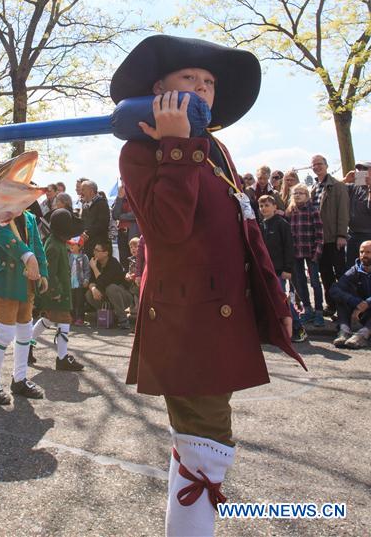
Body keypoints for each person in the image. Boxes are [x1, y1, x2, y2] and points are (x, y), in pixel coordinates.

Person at [112, 34, 303, 536]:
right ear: (160, 88)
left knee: (200, 445)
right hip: (186, 320)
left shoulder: (214, 147)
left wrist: (275, 298)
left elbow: (246, 228)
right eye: (189, 79)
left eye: (209, 83)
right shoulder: (139, 151)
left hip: (224, 312)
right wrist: (175, 145)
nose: (202, 88)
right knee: (207, 448)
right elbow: (168, 230)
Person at [0, 210, 48, 405]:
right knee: (5, 333)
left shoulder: (29, 217)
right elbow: (1, 235)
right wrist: (27, 256)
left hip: (26, 281)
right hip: (6, 281)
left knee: (25, 332)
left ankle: (19, 379)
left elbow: (37, 245)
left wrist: (42, 271)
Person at [30, 209, 85, 371]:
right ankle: (62, 357)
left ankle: (26, 346)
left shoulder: (57, 242)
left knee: (47, 320)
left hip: (59, 293)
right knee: (64, 321)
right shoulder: (53, 246)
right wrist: (55, 292)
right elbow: (49, 273)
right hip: (56, 294)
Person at [257, 195, 303, 342]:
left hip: (279, 270)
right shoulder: (261, 225)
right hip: (265, 269)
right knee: (271, 300)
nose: (264, 208)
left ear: (275, 206)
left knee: (282, 300)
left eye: (267, 205)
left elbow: (289, 247)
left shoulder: (282, 224)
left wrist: (287, 269)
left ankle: (298, 327)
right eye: (261, 206)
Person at [309, 154, 350, 317]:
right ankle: (331, 304)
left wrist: (341, 234)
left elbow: (343, 212)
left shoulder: (338, 186)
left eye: (319, 164)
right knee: (325, 274)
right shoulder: (313, 188)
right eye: (314, 165)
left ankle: (345, 306)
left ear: (326, 166)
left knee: (340, 273)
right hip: (319, 239)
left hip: (334, 237)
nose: (317, 167)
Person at [286, 184, 325, 326]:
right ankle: (307, 308)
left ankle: (319, 311)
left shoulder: (313, 210)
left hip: (311, 251)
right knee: (300, 282)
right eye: (295, 193)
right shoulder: (291, 211)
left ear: (307, 195)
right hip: (296, 252)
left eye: (301, 193)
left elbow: (320, 233)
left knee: (315, 282)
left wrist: (317, 251)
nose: (297, 195)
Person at [330, 240, 371, 349]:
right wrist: (355, 302)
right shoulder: (355, 270)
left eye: (368, 252)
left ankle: (363, 335)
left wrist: (367, 303)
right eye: (361, 252)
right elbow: (335, 289)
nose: (364, 255)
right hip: (360, 311)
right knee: (341, 297)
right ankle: (344, 331)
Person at [84, 241, 133, 329]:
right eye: (94, 250)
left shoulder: (113, 263)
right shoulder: (96, 262)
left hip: (123, 297)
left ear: (105, 253)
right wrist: (93, 288)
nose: (94, 252)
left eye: (97, 250)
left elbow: (104, 282)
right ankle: (108, 314)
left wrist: (94, 268)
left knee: (111, 288)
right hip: (107, 298)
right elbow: (91, 281)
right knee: (89, 294)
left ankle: (123, 319)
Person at [343, 161, 371, 260]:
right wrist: (345, 180)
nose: (361, 171)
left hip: (370, 235)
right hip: (352, 234)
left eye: (365, 169)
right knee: (351, 266)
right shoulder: (352, 187)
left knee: (369, 266)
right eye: (359, 169)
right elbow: (332, 190)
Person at [112, 184, 140, 262]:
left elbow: (136, 214)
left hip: (134, 232)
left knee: (135, 258)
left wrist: (120, 216)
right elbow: (114, 214)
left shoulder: (137, 195)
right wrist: (119, 198)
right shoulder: (120, 197)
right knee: (123, 259)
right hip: (122, 233)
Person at [79, 180, 110, 249]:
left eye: (83, 190)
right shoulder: (85, 205)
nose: (81, 193)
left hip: (99, 246)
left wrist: (87, 233)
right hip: (87, 244)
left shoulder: (102, 204)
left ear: (91, 191)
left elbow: (102, 224)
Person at [68, 237, 91, 326]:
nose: (71, 246)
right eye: (71, 244)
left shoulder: (84, 257)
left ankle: (80, 318)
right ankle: (72, 317)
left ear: (79, 246)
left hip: (80, 283)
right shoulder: (69, 256)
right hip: (71, 282)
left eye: (73, 244)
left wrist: (86, 280)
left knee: (80, 301)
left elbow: (87, 269)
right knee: (71, 301)